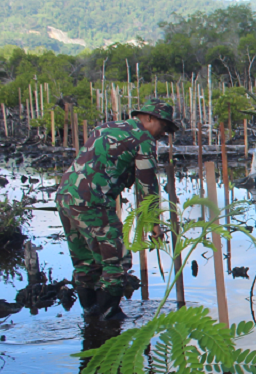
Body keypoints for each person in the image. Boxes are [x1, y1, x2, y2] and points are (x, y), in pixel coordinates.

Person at [56, 98, 175, 321]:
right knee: (117, 262)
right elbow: (147, 185)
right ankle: (109, 317)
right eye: (164, 126)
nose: (164, 133)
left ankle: (90, 316)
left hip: (64, 196)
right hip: (92, 201)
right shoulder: (144, 139)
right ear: (149, 118)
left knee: (85, 262)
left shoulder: (105, 127)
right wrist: (154, 224)